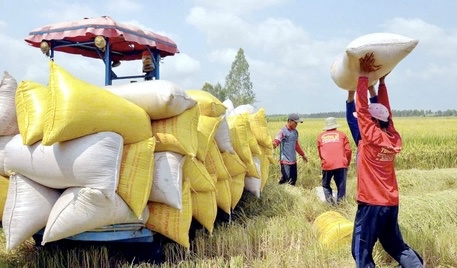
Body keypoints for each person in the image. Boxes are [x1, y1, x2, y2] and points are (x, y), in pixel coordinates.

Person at [351, 52, 424, 267]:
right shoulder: (392, 137)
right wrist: (380, 84)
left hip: (371, 204)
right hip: (391, 203)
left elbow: (362, 110)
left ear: (373, 121)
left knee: (361, 251)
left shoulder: (371, 137)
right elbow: (386, 114)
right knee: (395, 245)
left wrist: (363, 77)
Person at [317, 117, 352, 204]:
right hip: (341, 164)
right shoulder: (342, 135)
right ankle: (341, 204)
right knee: (341, 186)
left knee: (325, 185)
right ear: (335, 126)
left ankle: (330, 204)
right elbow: (348, 150)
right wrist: (347, 163)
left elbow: (320, 152)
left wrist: (324, 162)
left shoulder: (320, 137)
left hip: (327, 164)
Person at [272, 113, 308, 186]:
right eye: (295, 123)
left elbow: (296, 145)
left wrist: (303, 155)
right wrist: (273, 145)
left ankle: (291, 193)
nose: (296, 125)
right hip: (285, 161)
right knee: (286, 179)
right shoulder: (282, 131)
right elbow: (277, 141)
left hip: (293, 161)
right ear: (290, 121)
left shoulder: (295, 132)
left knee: (293, 180)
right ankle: (280, 191)